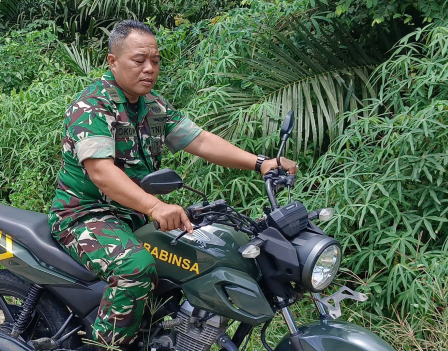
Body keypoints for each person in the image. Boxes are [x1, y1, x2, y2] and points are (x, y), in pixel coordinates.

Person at [48, 20, 297, 349]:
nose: (149, 68)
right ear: (113, 61)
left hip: (133, 215)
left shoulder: (152, 107)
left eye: (155, 60)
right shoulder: (92, 106)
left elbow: (201, 141)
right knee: (135, 268)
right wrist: (155, 205)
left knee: (200, 253)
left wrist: (261, 163)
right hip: (84, 215)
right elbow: (102, 174)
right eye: (139, 60)